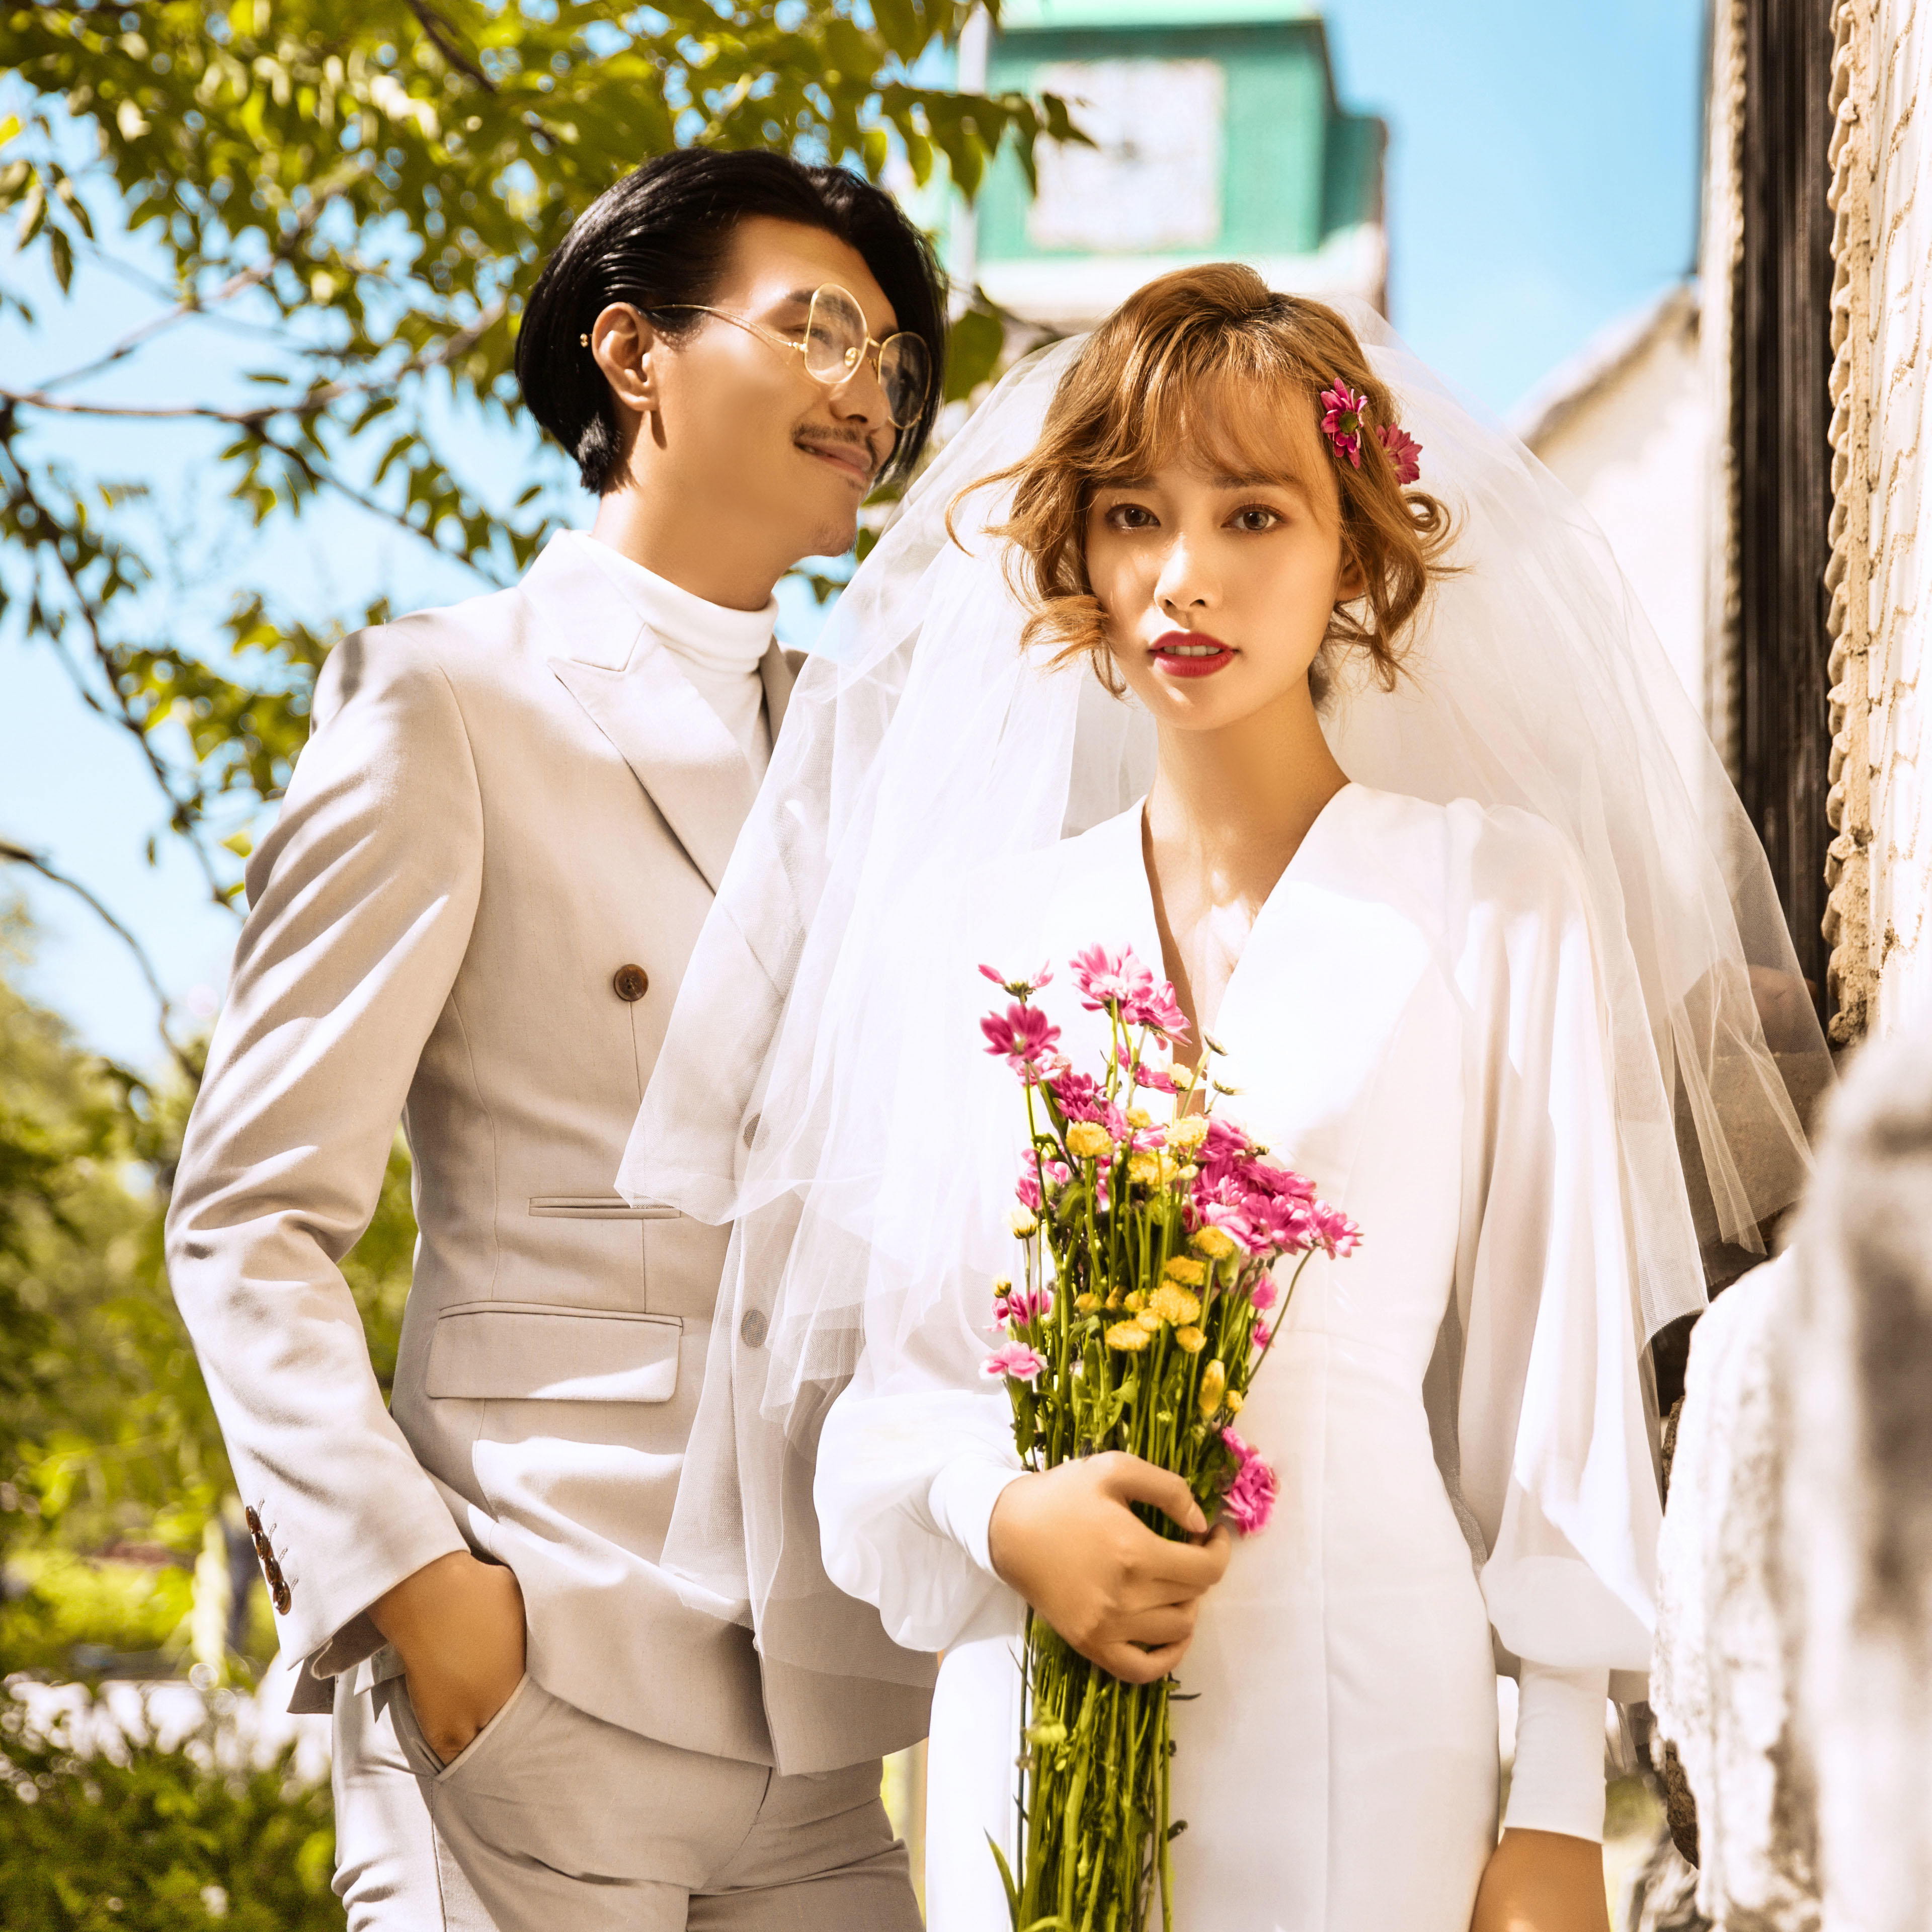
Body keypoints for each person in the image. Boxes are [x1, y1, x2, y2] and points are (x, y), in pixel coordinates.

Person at [627, 265, 1829, 1930]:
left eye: (1254, 515)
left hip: (1367, 1721)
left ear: (1355, 549)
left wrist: (1558, 1803)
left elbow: (1556, 1389)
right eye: (1134, 516)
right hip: (1031, 1728)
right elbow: (910, 1388)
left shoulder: (1496, 898)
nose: (1184, 576)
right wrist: (1003, 1510)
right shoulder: (982, 936)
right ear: (1080, 551)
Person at [164, 147, 944, 1932]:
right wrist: (417, 1596)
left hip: (822, 1710)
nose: (868, 394)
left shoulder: (878, 759)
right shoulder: (444, 697)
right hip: (534, 1664)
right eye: (820, 328)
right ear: (634, 352)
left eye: (894, 365)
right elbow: (249, 1218)